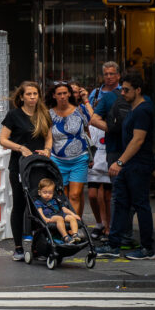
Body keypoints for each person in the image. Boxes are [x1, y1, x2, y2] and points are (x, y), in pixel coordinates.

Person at [96, 72, 155, 260]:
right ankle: (113, 244)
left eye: (127, 90)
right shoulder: (134, 109)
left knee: (140, 205)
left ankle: (147, 249)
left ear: (138, 90)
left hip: (138, 164)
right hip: (129, 164)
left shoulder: (143, 110)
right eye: (122, 89)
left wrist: (120, 161)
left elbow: (138, 140)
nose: (122, 93)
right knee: (121, 203)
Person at [0, 81, 52, 261]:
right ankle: (18, 247)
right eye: (28, 94)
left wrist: (47, 150)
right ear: (21, 97)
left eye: (35, 94)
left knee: (39, 204)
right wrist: (20, 148)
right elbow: (3, 139)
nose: (32, 97)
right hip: (19, 166)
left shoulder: (43, 114)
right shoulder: (14, 115)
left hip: (39, 166)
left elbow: (49, 138)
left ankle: (40, 245)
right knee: (20, 205)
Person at [45, 82, 92, 217]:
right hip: (58, 160)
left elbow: (93, 120)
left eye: (65, 93)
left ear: (70, 94)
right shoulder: (49, 114)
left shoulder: (80, 110)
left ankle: (75, 227)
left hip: (79, 159)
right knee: (62, 195)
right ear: (54, 96)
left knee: (75, 195)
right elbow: (48, 137)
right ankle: (65, 225)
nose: (63, 96)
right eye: (59, 94)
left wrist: (85, 100)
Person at [80, 81, 112, 241]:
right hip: (94, 164)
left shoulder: (111, 126)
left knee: (106, 197)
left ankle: (108, 227)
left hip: (107, 164)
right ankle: (99, 223)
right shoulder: (92, 126)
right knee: (92, 195)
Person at [34, 178, 82, 244]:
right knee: (59, 218)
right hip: (50, 216)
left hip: (60, 214)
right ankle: (65, 237)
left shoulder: (56, 200)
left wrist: (73, 214)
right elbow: (39, 211)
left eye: (50, 193)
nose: (47, 195)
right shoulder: (38, 202)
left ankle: (75, 235)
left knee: (72, 218)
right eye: (45, 192)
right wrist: (44, 218)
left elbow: (64, 209)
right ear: (39, 192)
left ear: (53, 193)